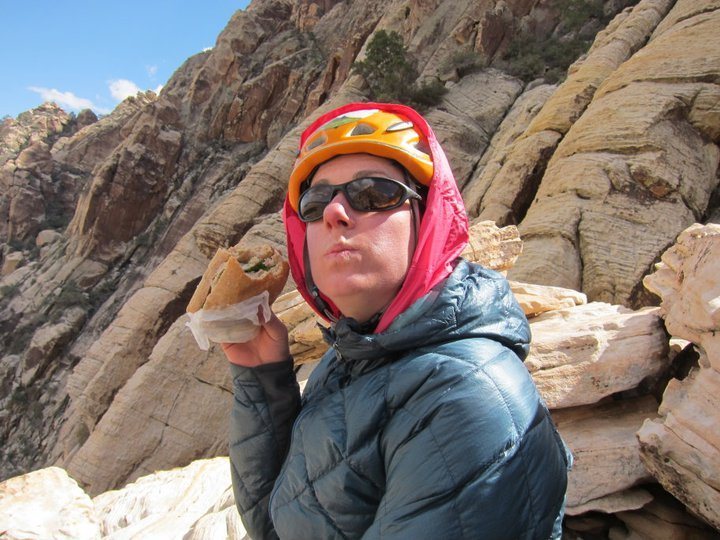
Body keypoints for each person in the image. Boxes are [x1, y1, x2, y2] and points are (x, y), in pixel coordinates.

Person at [222, 102, 571, 539]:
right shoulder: (355, 355)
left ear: (428, 221)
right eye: (314, 203)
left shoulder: (463, 396)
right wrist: (263, 380)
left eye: (374, 194)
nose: (334, 212)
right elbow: (278, 524)